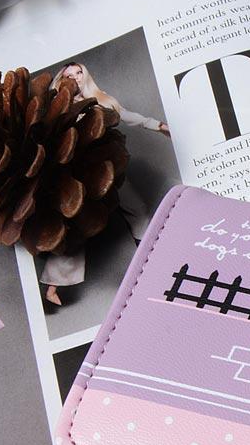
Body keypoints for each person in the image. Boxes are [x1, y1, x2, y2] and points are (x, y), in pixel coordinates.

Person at [41, 62, 171, 307]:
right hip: (80, 174)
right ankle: (52, 287)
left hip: (109, 168)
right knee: (77, 227)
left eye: (79, 73)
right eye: (69, 75)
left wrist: (159, 126)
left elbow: (128, 116)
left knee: (138, 211)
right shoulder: (60, 107)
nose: (76, 78)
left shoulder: (102, 99)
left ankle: (154, 260)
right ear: (62, 80)